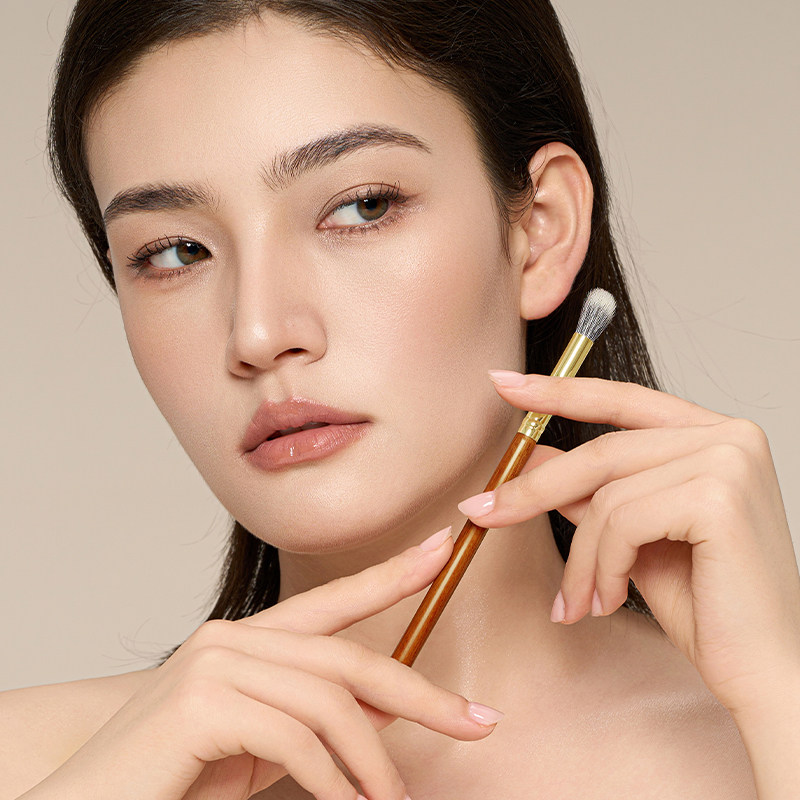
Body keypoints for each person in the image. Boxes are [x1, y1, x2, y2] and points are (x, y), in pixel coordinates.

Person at [2, 1, 798, 798]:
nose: (259, 331)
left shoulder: (766, 735)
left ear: (542, 232)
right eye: (174, 252)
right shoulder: (44, 768)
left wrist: (784, 695)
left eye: (363, 207)